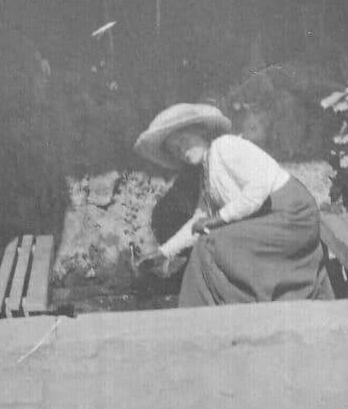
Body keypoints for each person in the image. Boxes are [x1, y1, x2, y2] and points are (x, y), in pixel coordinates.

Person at [133, 102, 334, 307]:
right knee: (210, 243)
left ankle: (220, 311)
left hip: (293, 217)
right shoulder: (206, 170)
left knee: (211, 245)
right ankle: (218, 311)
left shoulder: (226, 146)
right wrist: (164, 252)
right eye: (176, 149)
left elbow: (259, 187)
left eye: (184, 141)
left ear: (201, 132)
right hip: (269, 220)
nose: (182, 150)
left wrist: (219, 219)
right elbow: (199, 219)